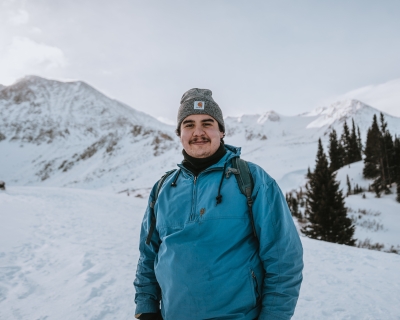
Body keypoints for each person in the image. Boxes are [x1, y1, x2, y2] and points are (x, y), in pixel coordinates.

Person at [134, 88, 303, 320]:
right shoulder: (163, 188)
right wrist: (146, 308)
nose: (198, 132)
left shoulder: (252, 179)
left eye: (207, 123)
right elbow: (148, 257)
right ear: (179, 132)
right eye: (189, 124)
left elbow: (284, 258)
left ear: (221, 131)